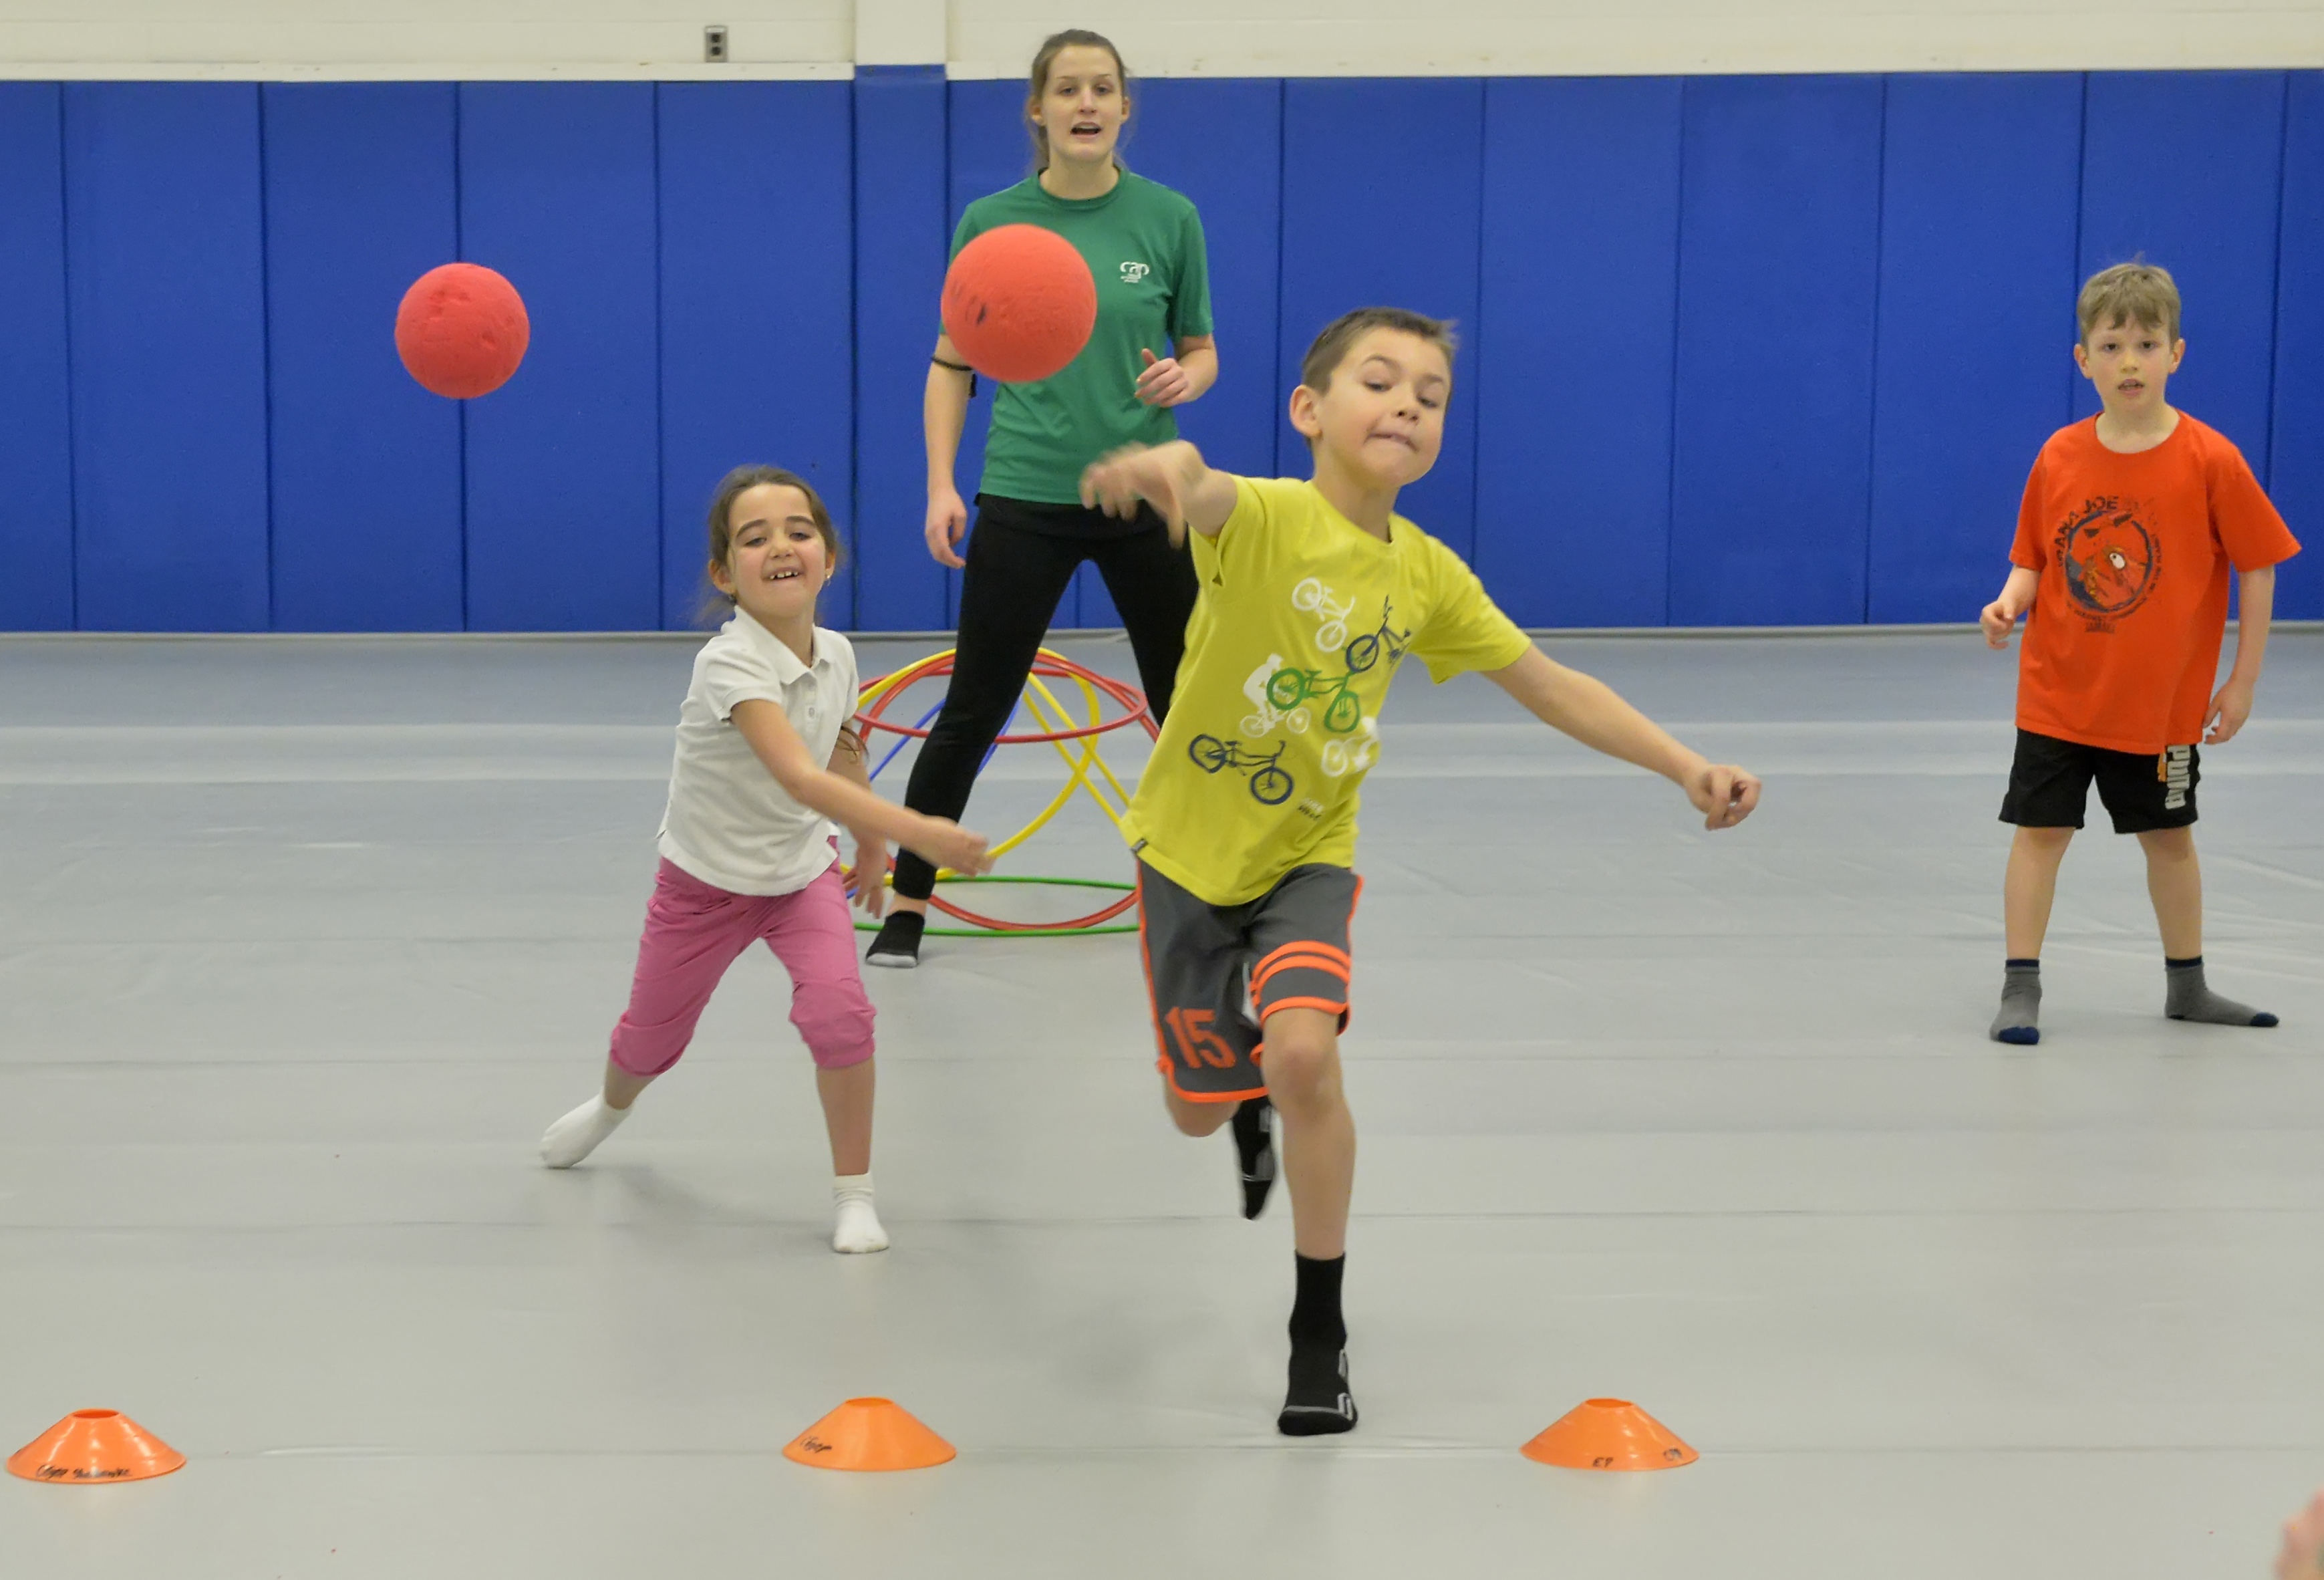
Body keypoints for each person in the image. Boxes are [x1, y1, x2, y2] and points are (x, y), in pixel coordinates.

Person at [1078, 307, 1763, 1434]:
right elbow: (1196, 482)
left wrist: (1684, 765)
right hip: (1184, 858)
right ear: (1309, 410)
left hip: (1307, 854)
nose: (1405, 404)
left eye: (1429, 395)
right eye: (1379, 381)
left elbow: (1548, 683)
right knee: (1196, 1112)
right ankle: (1232, 1096)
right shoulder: (1264, 517)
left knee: (1305, 1052)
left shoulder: (1426, 574)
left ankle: (1318, 1330)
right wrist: (1162, 462)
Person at [537, 466, 993, 1253]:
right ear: (725, 574)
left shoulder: (840, 653)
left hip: (797, 876)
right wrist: (920, 828)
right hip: (702, 888)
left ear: (828, 556)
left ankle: (855, 1194)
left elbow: (845, 743)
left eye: (799, 531)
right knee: (650, 1041)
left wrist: (874, 849)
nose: (781, 546)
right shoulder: (730, 664)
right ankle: (612, 1107)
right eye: (755, 539)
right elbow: (799, 775)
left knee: (841, 1016)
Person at [865, 26, 1216, 968]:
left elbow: (1201, 351)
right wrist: (941, 483)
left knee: (1182, 702)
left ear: (1125, 107)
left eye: (1103, 88)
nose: (1087, 104)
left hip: (1147, 498)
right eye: (1067, 89)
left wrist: (1189, 382)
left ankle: (1211, 894)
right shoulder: (990, 221)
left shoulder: (1170, 218)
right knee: (974, 705)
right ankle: (907, 906)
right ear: (1037, 109)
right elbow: (950, 367)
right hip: (1022, 492)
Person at [1980, 261, 2300, 1045]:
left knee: (2169, 839)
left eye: (2147, 343)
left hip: (2160, 712)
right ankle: (2020, 985)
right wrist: (2010, 600)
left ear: (2176, 355)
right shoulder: (2058, 455)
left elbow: (2256, 564)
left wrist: (2242, 680)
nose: (2130, 360)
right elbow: (2034, 556)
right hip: (2059, 696)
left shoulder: (2210, 459)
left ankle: (2186, 984)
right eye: (2112, 344)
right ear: (2081, 359)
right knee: (2040, 835)